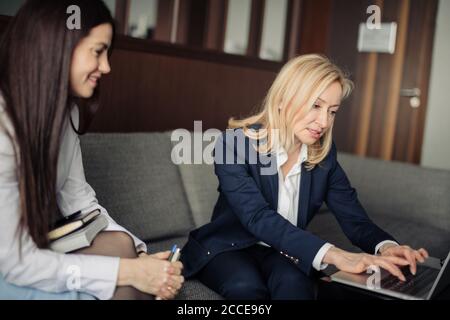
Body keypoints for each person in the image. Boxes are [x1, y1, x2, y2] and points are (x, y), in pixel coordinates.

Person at [181, 54, 429, 300]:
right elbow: (257, 217)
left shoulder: (323, 156)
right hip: (228, 247)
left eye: (332, 111)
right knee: (246, 288)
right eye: (316, 105)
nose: (323, 122)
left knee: (296, 287)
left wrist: (388, 247)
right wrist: (335, 255)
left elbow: (355, 220)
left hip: (284, 249)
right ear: (283, 100)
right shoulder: (233, 145)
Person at [0, 0, 183, 300]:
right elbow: (16, 262)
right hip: (11, 264)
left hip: (37, 246)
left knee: (123, 244)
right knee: (125, 284)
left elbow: (81, 203)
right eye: (98, 52)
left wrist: (140, 258)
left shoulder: (65, 112)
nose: (107, 67)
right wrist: (129, 271)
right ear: (58, 46)